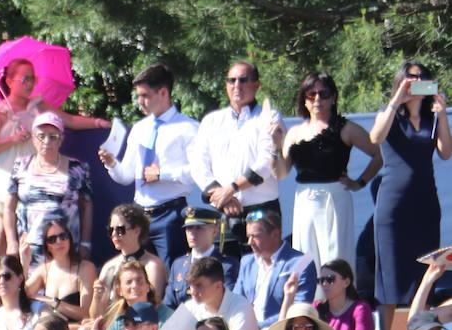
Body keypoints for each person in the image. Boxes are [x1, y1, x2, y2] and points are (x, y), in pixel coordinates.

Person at [0, 58, 111, 264]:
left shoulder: (38, 106)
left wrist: (98, 122)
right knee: (2, 231)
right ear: (10, 81)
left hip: (34, 173)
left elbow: (70, 120)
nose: (30, 83)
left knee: (32, 227)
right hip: (4, 173)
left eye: (33, 78)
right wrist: (12, 139)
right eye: (25, 78)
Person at [270, 72, 383, 267]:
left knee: (336, 257)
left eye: (323, 94)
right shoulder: (295, 132)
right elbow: (282, 173)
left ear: (333, 97)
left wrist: (359, 182)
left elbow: (379, 154)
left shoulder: (346, 128)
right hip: (304, 198)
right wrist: (274, 148)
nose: (317, 99)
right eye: (311, 95)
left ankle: (339, 296)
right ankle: (311, 298)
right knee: (305, 256)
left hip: (335, 197)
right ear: (303, 99)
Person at [369, 62, 451, 314]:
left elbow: (446, 153)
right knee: (392, 276)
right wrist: (396, 100)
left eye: (421, 78)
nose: (416, 82)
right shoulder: (389, 112)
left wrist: (441, 114)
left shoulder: (431, 118)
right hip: (393, 205)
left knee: (423, 271)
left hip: (425, 202)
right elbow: (375, 137)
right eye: (410, 78)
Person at [99, 64, 200, 263]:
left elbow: (198, 172)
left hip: (170, 213)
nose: (140, 102)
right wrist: (112, 164)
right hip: (139, 214)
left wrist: (162, 174)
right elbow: (126, 175)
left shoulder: (188, 128)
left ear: (163, 92)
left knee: (172, 272)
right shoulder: (139, 129)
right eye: (138, 96)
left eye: (145, 96)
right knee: (136, 272)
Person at [189, 61, 282, 258]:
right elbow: (198, 165)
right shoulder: (212, 121)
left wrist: (231, 189)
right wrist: (222, 197)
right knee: (226, 275)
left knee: (264, 271)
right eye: (231, 80)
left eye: (243, 80)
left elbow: (266, 163)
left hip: (262, 211)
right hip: (224, 211)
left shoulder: (268, 116)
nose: (236, 85)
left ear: (256, 85)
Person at [4, 112, 94, 269]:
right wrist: (12, 242)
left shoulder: (78, 168)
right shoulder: (20, 166)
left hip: (65, 248)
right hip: (29, 251)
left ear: (61, 139)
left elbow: (87, 206)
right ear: (33, 138)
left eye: (53, 136)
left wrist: (85, 243)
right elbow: (9, 208)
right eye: (41, 136)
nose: (47, 141)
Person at [157, 256, 263, 330]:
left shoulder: (241, 307)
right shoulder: (190, 306)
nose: (192, 292)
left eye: (198, 286)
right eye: (190, 286)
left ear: (218, 286)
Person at [235, 209, 317, 330]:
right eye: (248, 236)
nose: (250, 242)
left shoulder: (302, 262)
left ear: (275, 234)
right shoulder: (247, 261)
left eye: (255, 236)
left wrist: (257, 327)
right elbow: (236, 301)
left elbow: (298, 309)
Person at [162, 206, 239, 309]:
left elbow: (227, 302)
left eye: (199, 228)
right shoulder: (178, 265)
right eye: (189, 228)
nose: (192, 233)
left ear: (214, 231)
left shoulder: (226, 265)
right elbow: (169, 305)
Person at [26, 214, 95, 322]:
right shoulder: (43, 270)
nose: (59, 242)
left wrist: (53, 302)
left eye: (63, 236)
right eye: (52, 239)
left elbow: (88, 314)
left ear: (69, 239)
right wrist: (24, 263)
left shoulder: (85, 268)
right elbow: (20, 296)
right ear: (47, 246)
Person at [97, 203, 168, 302]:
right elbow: (96, 314)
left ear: (137, 231)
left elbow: (154, 303)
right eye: (111, 230)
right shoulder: (109, 267)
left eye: (120, 230)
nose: (114, 234)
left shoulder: (153, 265)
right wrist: (96, 297)